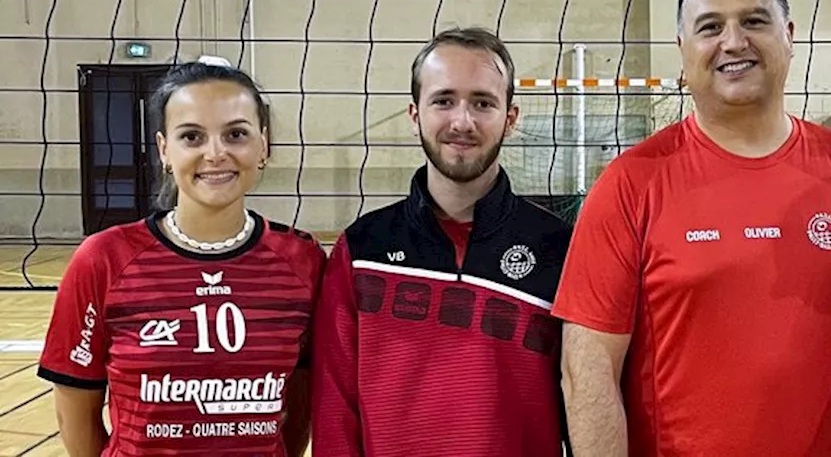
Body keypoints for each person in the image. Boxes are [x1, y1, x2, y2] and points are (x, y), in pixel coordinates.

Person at [551, 0, 831, 457]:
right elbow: (586, 371)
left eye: (753, 21)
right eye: (710, 26)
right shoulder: (630, 183)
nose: (733, 42)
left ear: (789, 34)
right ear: (682, 49)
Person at [38, 55, 326, 457]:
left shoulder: (302, 260)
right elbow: (75, 409)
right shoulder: (103, 258)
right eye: (192, 137)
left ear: (264, 144)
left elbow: (300, 408)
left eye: (236, 135)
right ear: (164, 150)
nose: (215, 153)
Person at [310, 26, 573, 457]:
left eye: (483, 103)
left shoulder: (558, 248)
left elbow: (583, 400)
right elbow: (334, 409)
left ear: (511, 118)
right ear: (415, 114)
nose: (462, 122)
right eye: (444, 100)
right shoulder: (362, 249)